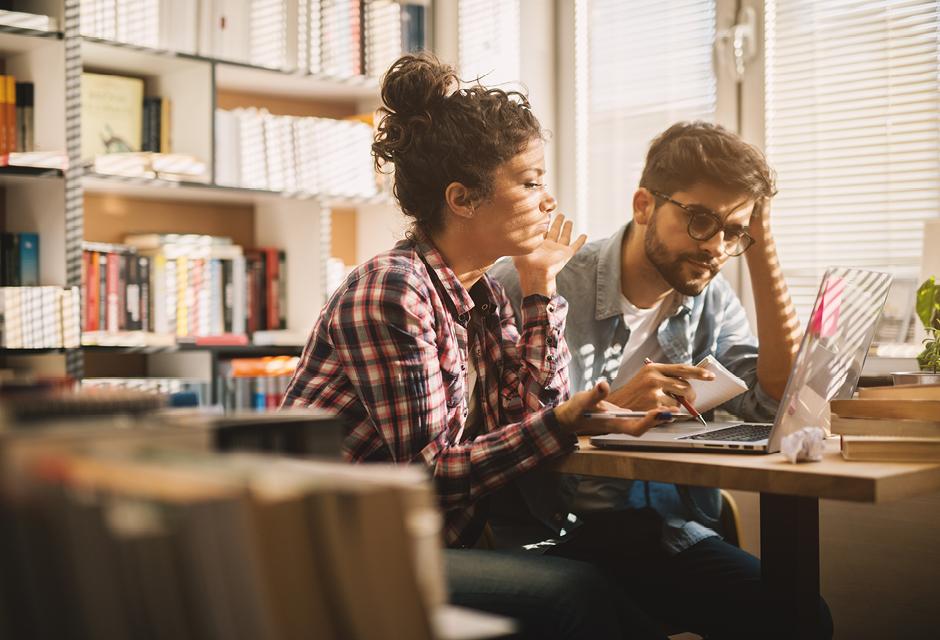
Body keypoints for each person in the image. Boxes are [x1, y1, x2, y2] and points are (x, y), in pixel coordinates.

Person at [281, 53, 673, 640]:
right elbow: (429, 473)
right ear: (462, 199)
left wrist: (541, 286)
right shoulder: (395, 289)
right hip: (336, 551)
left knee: (632, 566)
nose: (548, 200)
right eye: (531, 181)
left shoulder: (481, 293)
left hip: (422, 539)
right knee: (576, 590)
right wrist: (563, 422)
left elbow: (527, 419)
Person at [489, 121, 834, 639]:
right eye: (700, 219)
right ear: (644, 206)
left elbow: (772, 403)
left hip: (660, 529)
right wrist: (611, 410)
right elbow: (496, 435)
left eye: (733, 231)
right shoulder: (533, 280)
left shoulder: (707, 299)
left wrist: (762, 247)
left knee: (797, 615)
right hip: (550, 532)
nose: (716, 246)